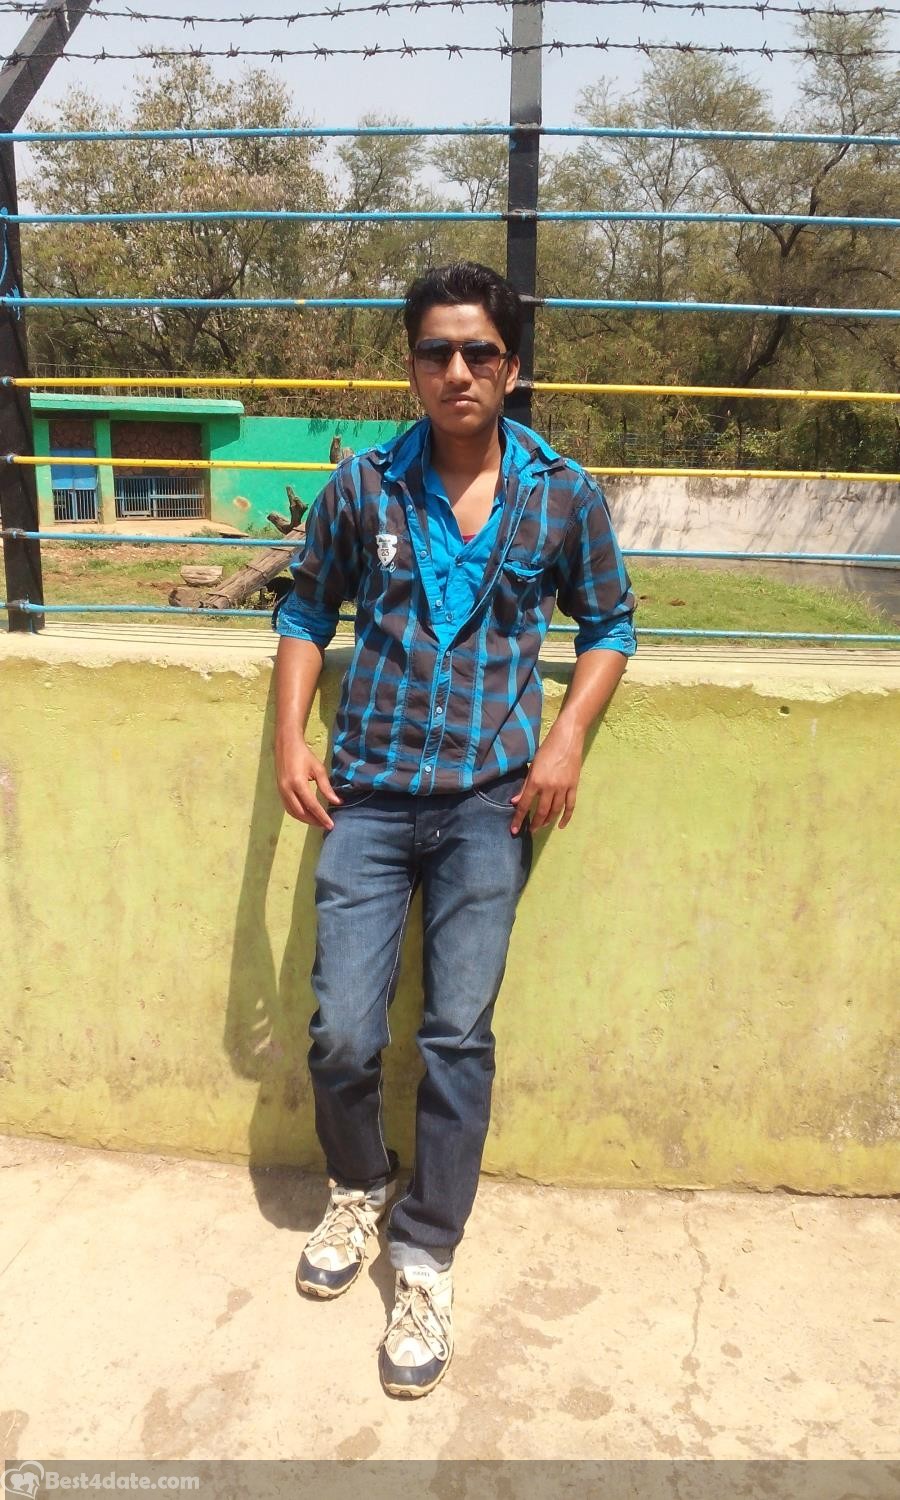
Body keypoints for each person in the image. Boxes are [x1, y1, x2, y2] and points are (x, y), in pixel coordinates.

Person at [272, 260, 636, 1399]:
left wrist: (567, 737)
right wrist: (288, 739)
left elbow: (611, 624)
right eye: (437, 350)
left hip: (490, 799)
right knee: (342, 1030)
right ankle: (359, 1186)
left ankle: (427, 1256)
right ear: (412, 365)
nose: (459, 370)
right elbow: (305, 607)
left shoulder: (563, 494)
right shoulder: (362, 486)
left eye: (480, 351)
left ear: (512, 368)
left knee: (456, 1036)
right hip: (370, 798)